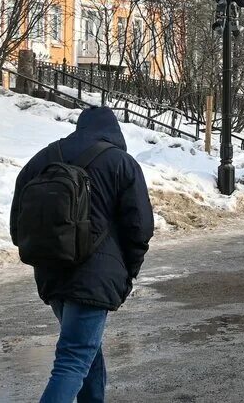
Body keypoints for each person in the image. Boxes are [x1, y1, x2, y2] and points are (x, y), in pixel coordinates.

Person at [11, 107, 153, 402]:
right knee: (73, 359)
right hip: (95, 277)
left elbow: (18, 226)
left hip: (51, 272)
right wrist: (129, 269)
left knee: (87, 350)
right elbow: (139, 227)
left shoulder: (40, 160)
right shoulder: (121, 163)